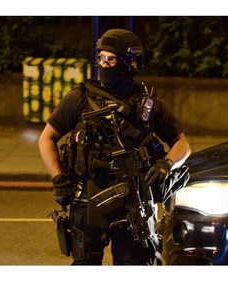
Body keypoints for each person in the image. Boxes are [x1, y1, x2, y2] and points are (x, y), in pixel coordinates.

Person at [38, 28, 191, 265]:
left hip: (134, 200)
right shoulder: (79, 98)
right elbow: (46, 138)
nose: (103, 64)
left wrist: (165, 164)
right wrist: (58, 179)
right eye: (100, 58)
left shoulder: (148, 104)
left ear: (130, 63)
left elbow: (182, 144)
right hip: (87, 199)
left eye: (110, 59)